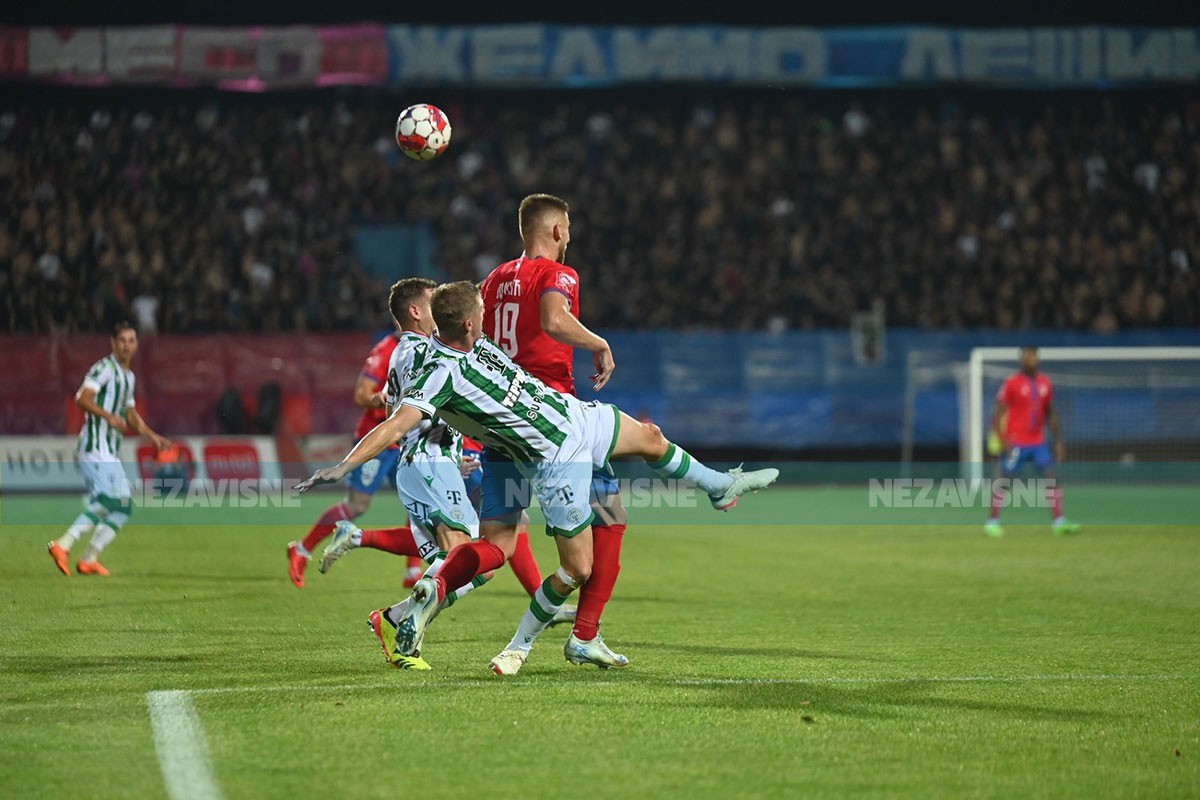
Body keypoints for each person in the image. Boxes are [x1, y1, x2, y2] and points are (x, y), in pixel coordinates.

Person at [295, 281, 779, 666]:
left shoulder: (474, 342)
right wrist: (342, 465)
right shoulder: (437, 368)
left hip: (568, 415)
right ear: (466, 321)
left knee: (649, 438)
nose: (487, 314)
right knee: (578, 566)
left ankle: (718, 486)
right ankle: (523, 644)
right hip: (554, 454)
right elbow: (399, 420)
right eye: (480, 310)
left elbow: (478, 316)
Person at [316, 279, 572, 668]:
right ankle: (401, 627)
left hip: (431, 462)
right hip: (428, 463)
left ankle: (396, 618)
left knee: (469, 559)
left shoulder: (405, 354)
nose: (439, 310)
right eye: (432, 302)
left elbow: (409, 408)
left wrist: (452, 451)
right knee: (472, 555)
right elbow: (409, 413)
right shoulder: (420, 352)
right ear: (416, 312)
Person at [478, 192, 630, 675]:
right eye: (569, 228)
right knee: (609, 521)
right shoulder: (560, 274)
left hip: (502, 424)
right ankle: (583, 635)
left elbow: (474, 340)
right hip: (556, 422)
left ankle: (420, 604)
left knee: (495, 545)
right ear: (558, 231)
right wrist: (599, 342)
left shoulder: (494, 279)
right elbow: (554, 319)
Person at [286, 292, 422, 589]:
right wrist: (382, 398)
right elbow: (361, 394)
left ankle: (413, 571)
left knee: (417, 501)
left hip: (409, 438)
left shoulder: (430, 348)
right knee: (357, 505)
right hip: (378, 439)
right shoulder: (387, 349)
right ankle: (302, 548)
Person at [47, 321, 170, 576]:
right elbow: (82, 398)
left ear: (136, 345)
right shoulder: (104, 368)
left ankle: (89, 558)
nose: (127, 345)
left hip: (109, 451)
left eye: (131, 340)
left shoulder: (128, 376)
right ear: (113, 343)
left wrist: (152, 436)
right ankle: (63, 544)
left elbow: (130, 412)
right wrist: (107, 416)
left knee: (123, 507)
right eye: (122, 340)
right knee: (109, 500)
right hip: (94, 447)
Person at [985, 346, 1082, 537]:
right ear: (1021, 360)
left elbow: (1050, 413)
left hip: (1038, 442)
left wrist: (1058, 441)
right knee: (1004, 480)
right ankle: (992, 521)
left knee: (1052, 477)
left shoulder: (1045, 383)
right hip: (1016, 442)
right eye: (1028, 356)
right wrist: (1003, 439)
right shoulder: (1011, 383)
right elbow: (998, 412)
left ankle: (1059, 521)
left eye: (1034, 356)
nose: (1032, 360)